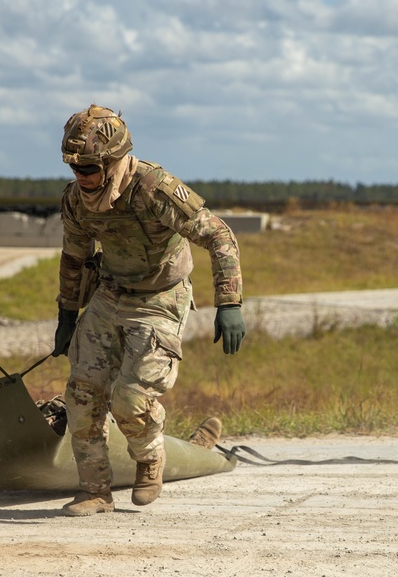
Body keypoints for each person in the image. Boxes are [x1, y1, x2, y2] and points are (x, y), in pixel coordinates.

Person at [50, 104, 246, 517]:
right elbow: (74, 257)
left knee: (131, 400)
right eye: (74, 168)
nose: (80, 176)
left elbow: (219, 235)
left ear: (112, 160)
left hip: (160, 298)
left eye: (88, 168)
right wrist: (68, 314)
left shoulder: (154, 188)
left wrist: (229, 303)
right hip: (109, 294)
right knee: (81, 396)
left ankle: (150, 457)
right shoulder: (76, 200)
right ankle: (95, 491)